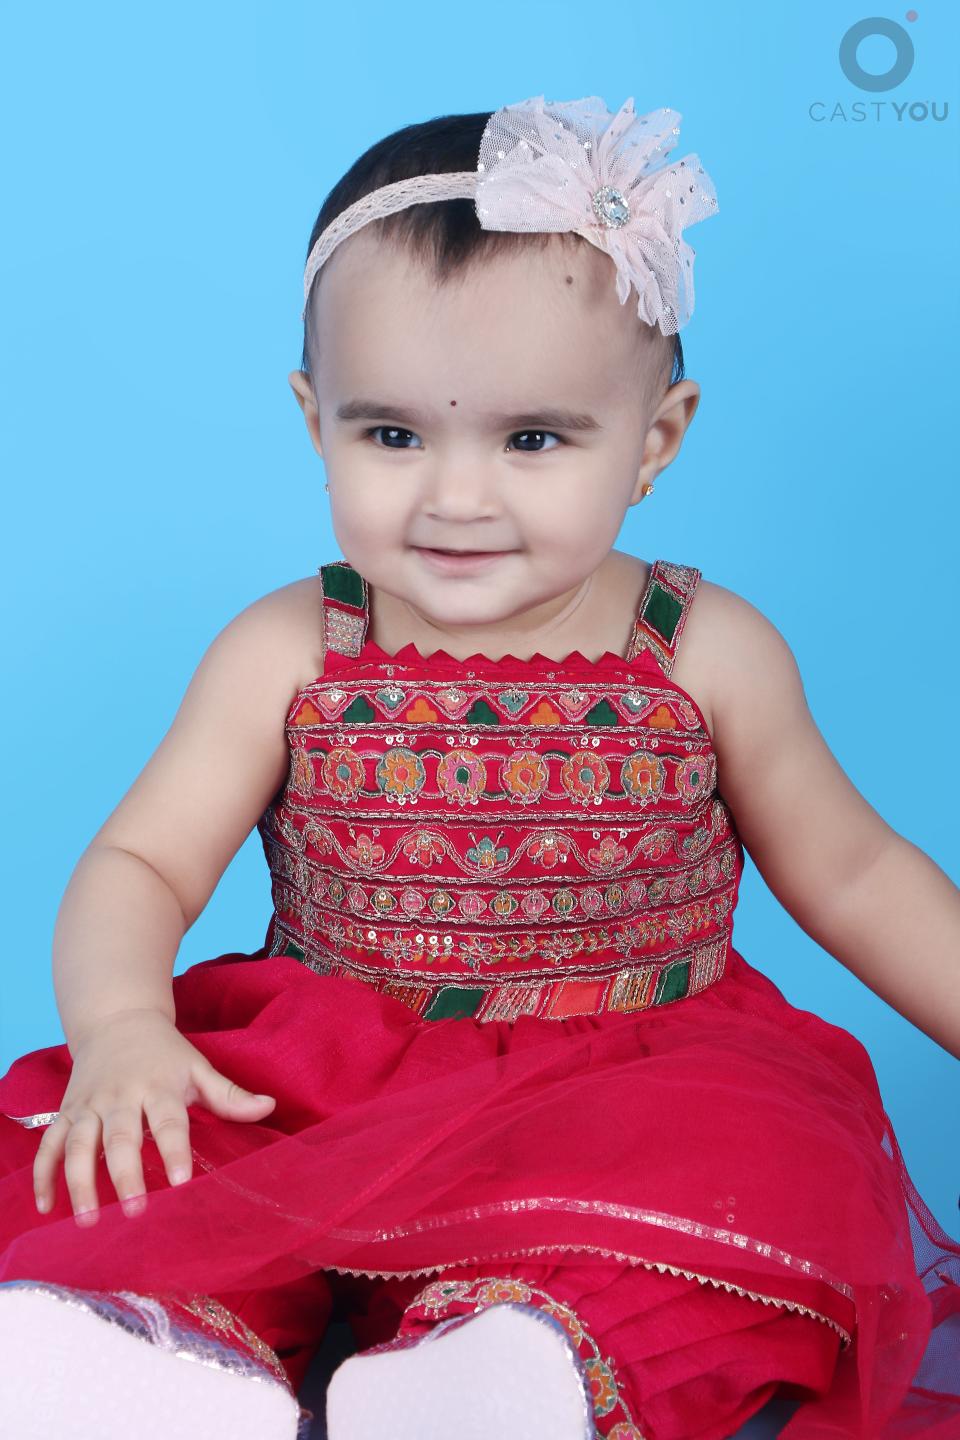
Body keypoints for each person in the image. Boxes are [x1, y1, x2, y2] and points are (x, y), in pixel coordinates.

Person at [0, 92, 958, 1440]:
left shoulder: (703, 652)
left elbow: (853, 872)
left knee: (728, 1189)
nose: (456, 498)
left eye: (532, 439)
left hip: (631, 1092)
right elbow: (143, 859)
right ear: (315, 419)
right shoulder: (291, 647)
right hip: (322, 1082)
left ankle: (508, 1369)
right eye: (392, 435)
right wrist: (122, 1028)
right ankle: (153, 1352)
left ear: (655, 439)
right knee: (143, 1157)